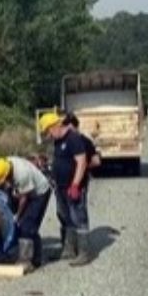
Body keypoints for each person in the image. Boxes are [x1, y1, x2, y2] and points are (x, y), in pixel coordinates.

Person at [39, 112, 92, 266]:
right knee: (65, 217)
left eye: (48, 131)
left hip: (73, 186)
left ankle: (84, 253)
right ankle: (69, 249)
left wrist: (75, 184)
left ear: (55, 126)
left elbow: (81, 162)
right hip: (61, 187)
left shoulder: (73, 138)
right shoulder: (58, 141)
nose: (48, 135)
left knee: (78, 218)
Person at [0, 156, 52, 269]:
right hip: (24, 191)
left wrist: (18, 215)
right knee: (23, 223)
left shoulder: (22, 174)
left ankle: (26, 261)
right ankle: (32, 255)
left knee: (27, 225)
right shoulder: (4, 164)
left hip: (39, 193)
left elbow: (24, 199)